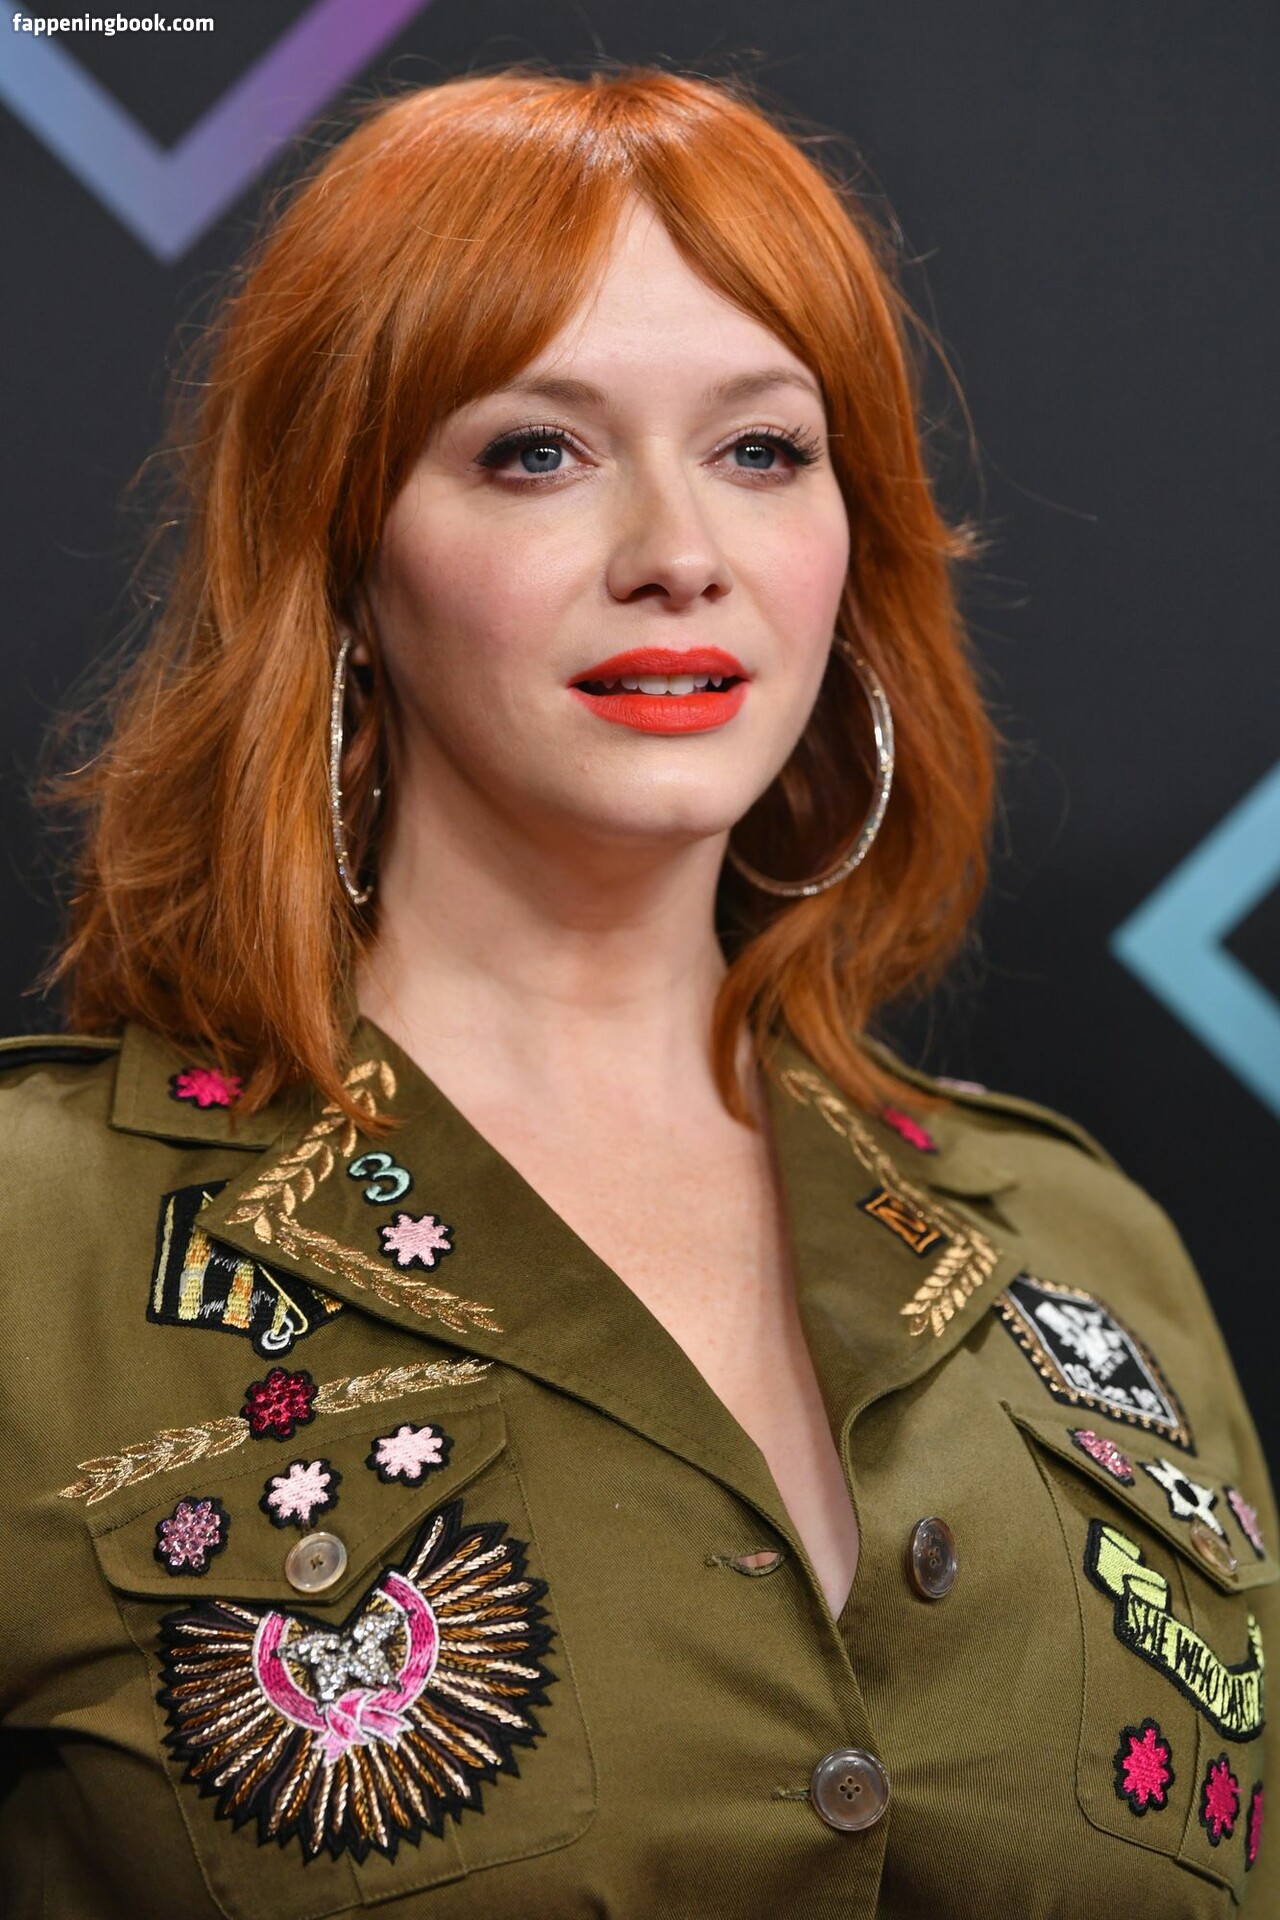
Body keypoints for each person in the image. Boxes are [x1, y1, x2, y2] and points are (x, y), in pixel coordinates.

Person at [0, 64, 1273, 1920]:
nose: (680, 552)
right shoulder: (36, 1240)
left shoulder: (1089, 1248)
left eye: (762, 451)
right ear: (346, 558)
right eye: (538, 450)